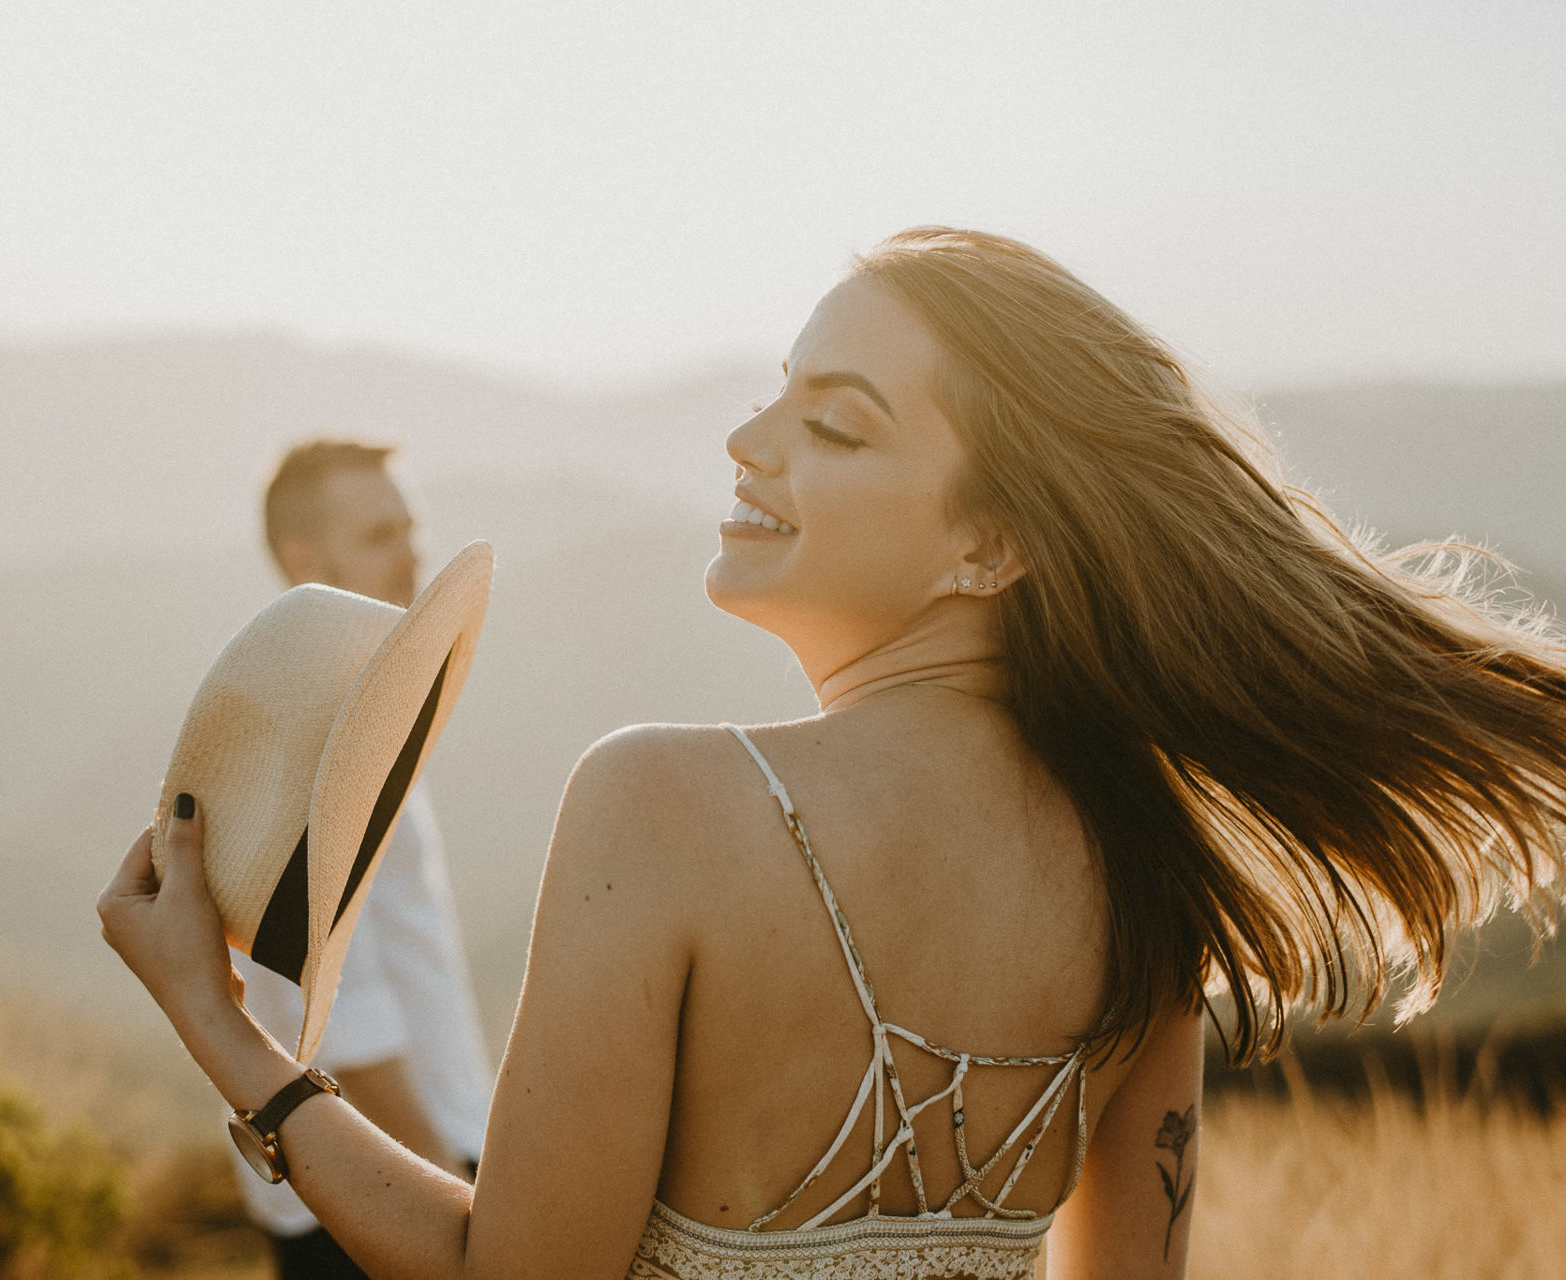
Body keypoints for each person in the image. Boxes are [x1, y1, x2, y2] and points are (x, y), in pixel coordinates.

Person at [101, 228, 1566, 1279]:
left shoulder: (661, 803)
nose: (747, 441)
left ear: (991, 544)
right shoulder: (1146, 871)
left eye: (834, 428)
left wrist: (219, 1023)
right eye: (773, 396)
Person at [230, 439, 492, 1278]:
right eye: (381, 534)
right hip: (375, 1196)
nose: (413, 554)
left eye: (410, 527)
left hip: (399, 1171)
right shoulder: (307, 738)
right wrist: (460, 1215)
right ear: (305, 558)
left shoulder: (358, 706)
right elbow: (346, 1026)